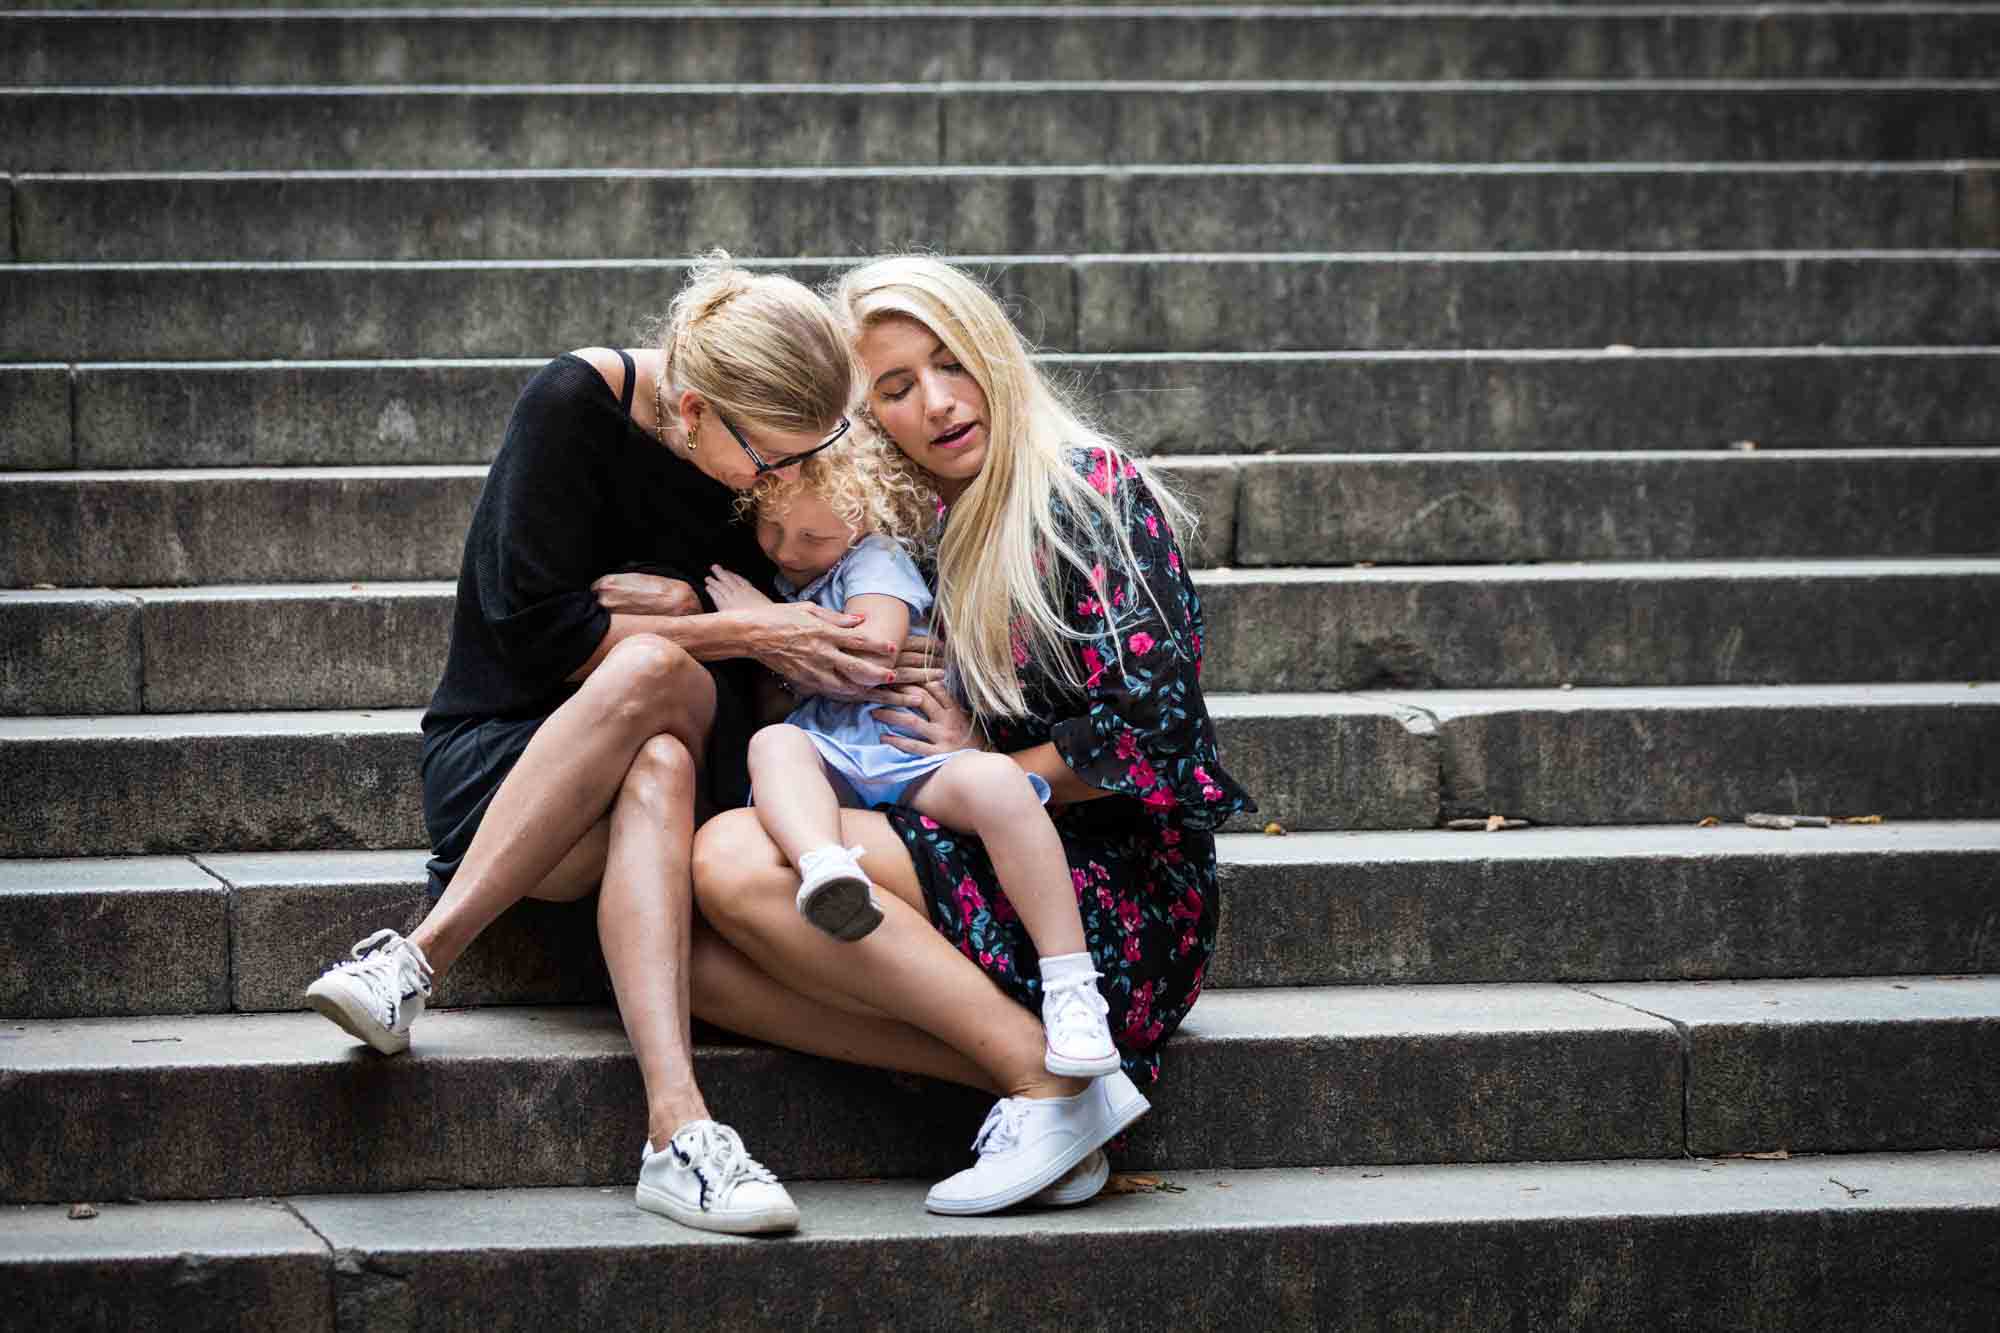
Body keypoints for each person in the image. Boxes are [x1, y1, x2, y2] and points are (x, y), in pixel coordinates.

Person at [303, 253, 899, 1236]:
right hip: (504, 765)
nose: (784, 481)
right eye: (772, 460)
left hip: (694, 766)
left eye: (803, 456)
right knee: (654, 700)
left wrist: (681, 623)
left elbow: (769, 624)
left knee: (659, 694)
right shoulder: (572, 406)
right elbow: (541, 636)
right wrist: (734, 630)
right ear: (697, 407)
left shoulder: (760, 457)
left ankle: (413, 959)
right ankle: (677, 1131)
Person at [691, 255, 1255, 1216]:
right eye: (898, 388)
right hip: (971, 829)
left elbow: (1153, 733)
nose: (941, 403)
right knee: (694, 966)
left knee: (735, 858)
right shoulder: (901, 532)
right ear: (867, 417)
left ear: (993, 353)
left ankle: (1052, 1088)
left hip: (1107, 887)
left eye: (952, 363)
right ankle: (1048, 1084)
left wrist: (991, 759)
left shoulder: (1085, 489)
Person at [705, 440, 1122, 1080]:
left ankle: (1070, 982)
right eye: (772, 527)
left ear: (865, 519)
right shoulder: (804, 572)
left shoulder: (876, 558)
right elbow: (782, 698)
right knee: (773, 745)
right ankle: (823, 864)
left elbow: (873, 651)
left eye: (811, 535)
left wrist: (765, 623)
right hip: (839, 752)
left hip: (906, 750)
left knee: (998, 783)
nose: (786, 550)